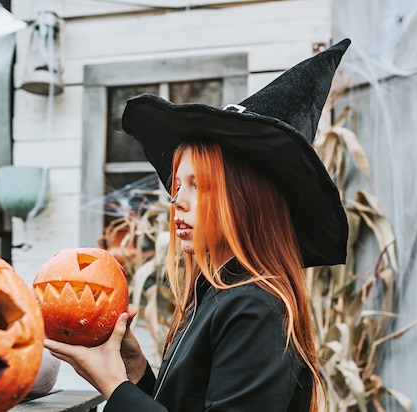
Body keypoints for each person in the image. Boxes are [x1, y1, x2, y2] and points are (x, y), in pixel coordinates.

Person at [46, 38, 351, 411]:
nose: (177, 202)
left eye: (201, 186)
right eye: (177, 186)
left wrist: (115, 388)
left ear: (248, 201)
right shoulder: (215, 292)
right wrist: (136, 373)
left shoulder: (257, 308)